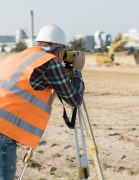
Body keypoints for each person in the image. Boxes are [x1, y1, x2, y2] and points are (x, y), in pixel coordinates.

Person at [0, 24, 85, 180]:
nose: (65, 56)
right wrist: (77, 71)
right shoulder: (49, 62)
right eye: (64, 52)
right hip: (4, 130)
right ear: (60, 50)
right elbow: (74, 99)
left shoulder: (25, 55)